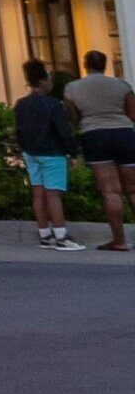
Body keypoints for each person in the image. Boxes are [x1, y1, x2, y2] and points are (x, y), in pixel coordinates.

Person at [69, 50, 135, 254]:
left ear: (85, 64)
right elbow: (132, 113)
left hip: (94, 134)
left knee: (110, 190)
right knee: (133, 189)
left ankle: (119, 240)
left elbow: (73, 118)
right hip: (124, 133)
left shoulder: (73, 88)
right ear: (105, 64)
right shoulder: (122, 85)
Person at [17, 58, 81, 249]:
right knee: (54, 194)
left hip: (31, 152)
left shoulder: (21, 104)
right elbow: (63, 131)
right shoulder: (53, 104)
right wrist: (73, 152)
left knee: (38, 193)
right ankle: (61, 235)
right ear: (44, 80)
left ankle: (45, 234)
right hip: (52, 152)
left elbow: (19, 130)